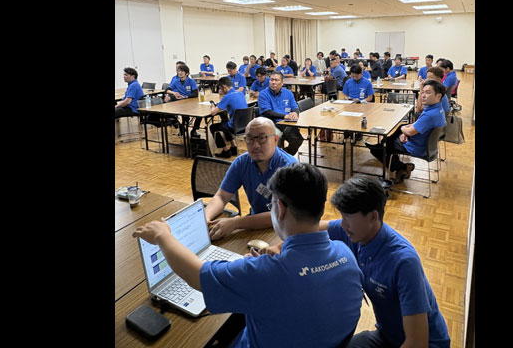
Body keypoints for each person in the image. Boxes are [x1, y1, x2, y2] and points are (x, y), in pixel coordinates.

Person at [133, 163, 364, 348]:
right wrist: (263, 268)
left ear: (281, 209)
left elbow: (196, 275)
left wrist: (163, 236)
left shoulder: (266, 273)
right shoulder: (346, 253)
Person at [254, 175, 451, 348]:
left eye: (347, 216)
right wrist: (279, 247)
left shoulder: (404, 262)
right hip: (387, 336)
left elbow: (417, 342)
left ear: (373, 217)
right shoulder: (354, 231)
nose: (343, 223)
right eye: (341, 216)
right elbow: (310, 229)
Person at [204, 117, 298, 239]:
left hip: (284, 230)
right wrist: (206, 217)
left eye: (262, 138)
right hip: (253, 225)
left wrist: (236, 223)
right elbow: (221, 197)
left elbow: (282, 215)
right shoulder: (241, 163)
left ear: (275, 140)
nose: (255, 145)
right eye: (250, 139)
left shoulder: (290, 167)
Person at [366, 80, 447, 183]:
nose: (423, 95)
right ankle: (387, 151)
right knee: (394, 134)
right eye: (423, 92)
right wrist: (405, 131)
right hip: (424, 145)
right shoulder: (437, 109)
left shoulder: (430, 115)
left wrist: (404, 131)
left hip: (415, 147)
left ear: (438, 96)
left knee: (381, 147)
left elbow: (410, 132)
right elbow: (416, 125)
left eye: (428, 92)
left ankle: (402, 167)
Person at [258, 72, 304, 156]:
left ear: (282, 83)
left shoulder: (288, 93)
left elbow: (295, 107)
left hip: (287, 124)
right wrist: (284, 116)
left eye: (276, 80)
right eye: (271, 80)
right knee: (277, 137)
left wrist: (295, 113)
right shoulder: (263, 94)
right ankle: (275, 157)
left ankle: (284, 156)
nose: (273, 82)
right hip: (271, 124)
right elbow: (267, 112)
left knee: (298, 139)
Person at [208, 76, 248, 158]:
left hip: (234, 126)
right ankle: (233, 146)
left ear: (224, 87)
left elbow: (213, 113)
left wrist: (212, 106)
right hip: (244, 125)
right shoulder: (240, 93)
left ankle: (225, 150)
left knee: (213, 127)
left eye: (220, 88)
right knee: (224, 123)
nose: (219, 90)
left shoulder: (227, 97)